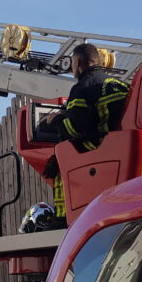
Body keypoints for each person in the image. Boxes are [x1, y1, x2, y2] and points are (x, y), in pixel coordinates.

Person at [38, 43, 131, 221]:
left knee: (61, 161)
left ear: (77, 61)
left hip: (100, 150)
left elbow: (76, 128)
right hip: (122, 148)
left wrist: (55, 120)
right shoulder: (120, 83)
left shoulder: (82, 88)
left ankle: (64, 218)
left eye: (72, 62)